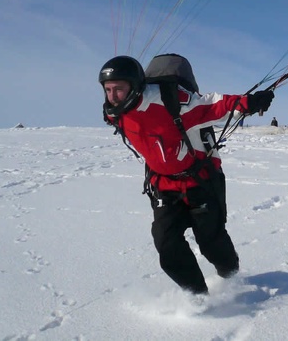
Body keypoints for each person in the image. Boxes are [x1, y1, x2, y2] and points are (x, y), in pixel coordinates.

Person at [98, 55, 274, 295]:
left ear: (134, 85)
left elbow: (212, 104)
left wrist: (249, 103)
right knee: (166, 243)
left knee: (211, 242)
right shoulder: (115, 112)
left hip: (200, 180)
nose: (112, 96)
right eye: (108, 90)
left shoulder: (173, 102)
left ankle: (231, 279)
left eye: (118, 89)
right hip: (163, 184)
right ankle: (197, 297)